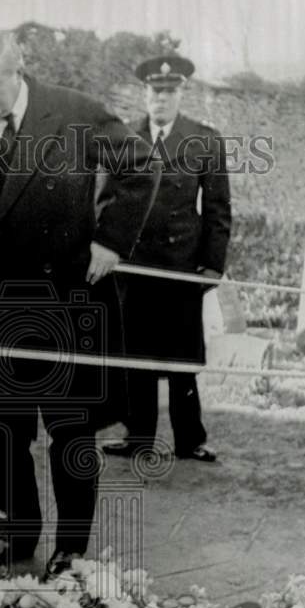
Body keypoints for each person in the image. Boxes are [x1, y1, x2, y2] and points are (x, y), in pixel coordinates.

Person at [0, 30, 153, 578]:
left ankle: (72, 548)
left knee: (70, 432)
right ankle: (16, 536)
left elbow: (140, 166)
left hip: (66, 300)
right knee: (4, 431)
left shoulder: (73, 112)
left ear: (20, 68)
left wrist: (111, 240)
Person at [103, 55, 231, 464]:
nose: (161, 98)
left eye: (169, 91)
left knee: (182, 356)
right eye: (155, 91)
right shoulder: (124, 137)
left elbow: (218, 209)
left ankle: (190, 439)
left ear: (181, 93)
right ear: (144, 93)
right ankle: (138, 436)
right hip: (135, 264)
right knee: (135, 355)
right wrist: (107, 251)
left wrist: (211, 266)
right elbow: (106, 199)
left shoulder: (204, 140)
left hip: (181, 264)